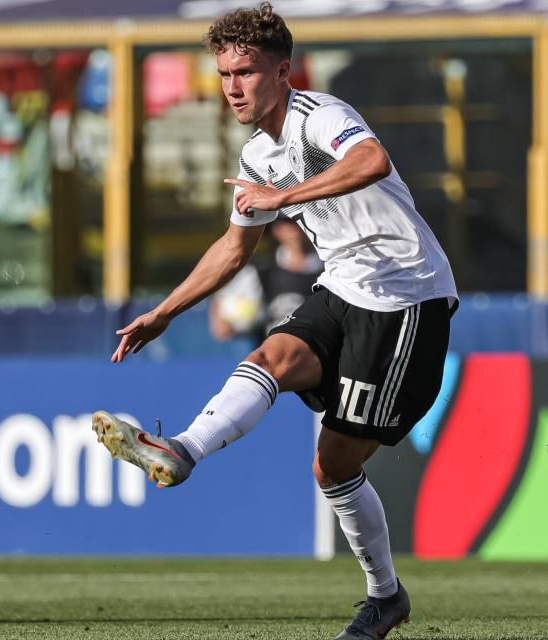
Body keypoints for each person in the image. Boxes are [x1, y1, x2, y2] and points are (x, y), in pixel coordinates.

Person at [92, 4, 457, 639]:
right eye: (224, 73)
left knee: (333, 466)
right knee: (271, 358)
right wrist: (164, 313)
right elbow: (235, 247)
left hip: (406, 298)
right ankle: (182, 450)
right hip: (342, 284)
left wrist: (281, 198)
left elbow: (371, 161)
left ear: (282, 70)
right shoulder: (257, 152)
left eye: (246, 72)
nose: (233, 87)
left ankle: (385, 595)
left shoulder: (323, 115)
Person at [209, 215, 324, 344]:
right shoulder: (260, 271)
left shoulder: (332, 269)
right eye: (288, 223)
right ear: (276, 230)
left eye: (300, 221)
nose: (295, 229)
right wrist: (223, 321)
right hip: (272, 356)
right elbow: (219, 302)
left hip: (321, 356)